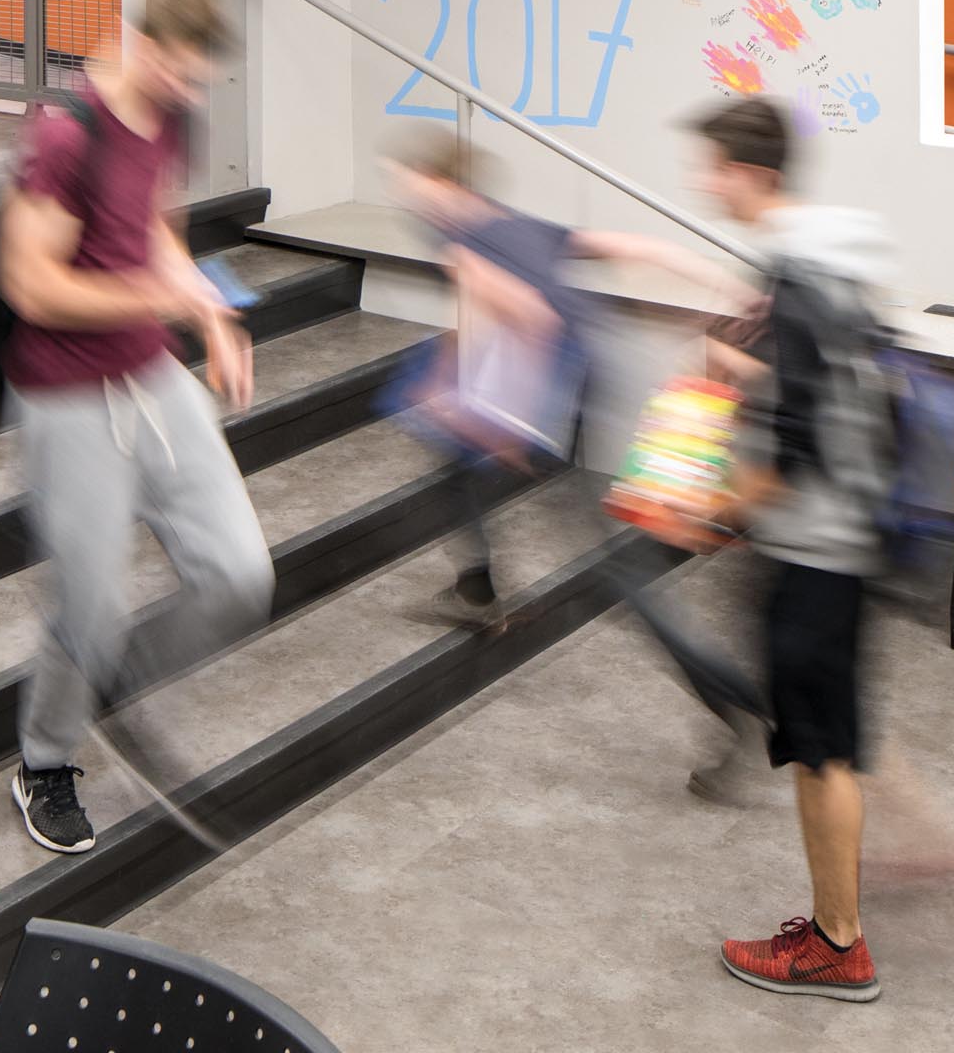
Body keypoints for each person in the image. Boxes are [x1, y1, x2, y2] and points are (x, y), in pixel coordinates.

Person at [0, 0, 272, 856]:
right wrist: (153, 297)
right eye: (181, 73)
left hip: (152, 382)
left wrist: (209, 312)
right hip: (66, 396)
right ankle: (44, 758)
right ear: (142, 45)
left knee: (240, 576)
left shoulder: (169, 119)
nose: (191, 94)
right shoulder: (61, 137)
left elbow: (155, 225)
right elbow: (30, 284)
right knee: (89, 605)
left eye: (201, 80)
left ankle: (116, 680)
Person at [679, 96, 902, 1004]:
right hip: (843, 539)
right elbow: (830, 389)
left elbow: (802, 445)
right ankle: (831, 930)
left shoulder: (800, 279)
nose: (704, 183)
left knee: (821, 751)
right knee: (827, 746)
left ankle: (838, 945)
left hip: (817, 549)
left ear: (752, 176)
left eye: (714, 167)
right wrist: (749, 373)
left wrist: (718, 510)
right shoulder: (829, 258)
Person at [376, 130, 756, 628]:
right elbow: (638, 247)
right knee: (461, 474)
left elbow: (530, 316)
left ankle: (708, 673)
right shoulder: (515, 224)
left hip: (557, 372)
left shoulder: (462, 241)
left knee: (585, 525)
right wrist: (727, 283)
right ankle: (476, 587)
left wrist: (512, 421)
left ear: (444, 183)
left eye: (413, 185)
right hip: (590, 361)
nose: (409, 198)